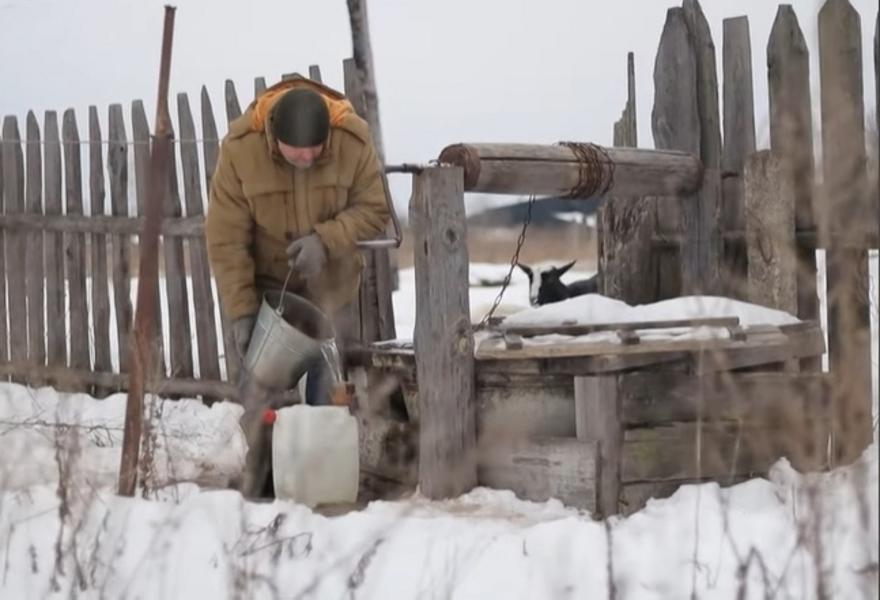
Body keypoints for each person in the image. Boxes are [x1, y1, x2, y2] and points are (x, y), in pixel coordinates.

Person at [205, 75, 390, 496]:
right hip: (271, 285)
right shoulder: (240, 150)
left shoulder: (352, 140)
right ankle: (264, 472)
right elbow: (226, 238)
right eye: (296, 151)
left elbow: (374, 209)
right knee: (258, 384)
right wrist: (242, 313)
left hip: (331, 285)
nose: (307, 157)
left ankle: (320, 478)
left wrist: (326, 240)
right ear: (273, 138)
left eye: (315, 150)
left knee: (329, 386)